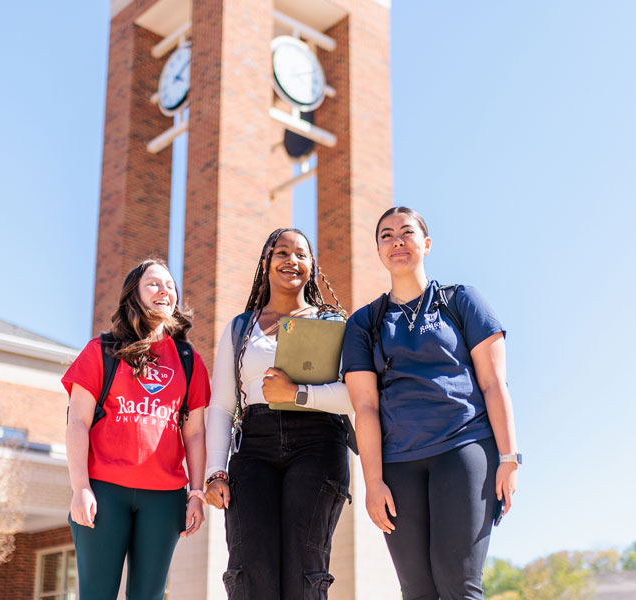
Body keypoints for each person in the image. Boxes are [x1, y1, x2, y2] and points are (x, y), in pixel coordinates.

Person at [341, 206, 520, 600]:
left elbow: (493, 384)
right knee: (417, 590)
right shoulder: (364, 323)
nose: (397, 241)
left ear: (426, 243)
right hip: (398, 461)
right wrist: (372, 482)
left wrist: (509, 459)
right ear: (378, 250)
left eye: (406, 232)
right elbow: (365, 408)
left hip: (464, 446)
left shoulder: (462, 301)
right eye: (386, 235)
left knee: (458, 583)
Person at [204, 228, 352, 600]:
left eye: (301, 254)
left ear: (312, 265)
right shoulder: (241, 327)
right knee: (250, 570)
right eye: (282, 252)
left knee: (305, 571)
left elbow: (354, 398)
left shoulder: (332, 323)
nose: (292, 260)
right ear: (266, 262)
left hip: (318, 443)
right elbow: (222, 405)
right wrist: (214, 472)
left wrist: (298, 394)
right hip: (253, 447)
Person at [62, 258, 210, 599]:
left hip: (164, 498)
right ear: (134, 294)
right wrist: (80, 487)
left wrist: (196, 494)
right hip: (104, 491)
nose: (165, 290)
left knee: (149, 595)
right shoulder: (102, 351)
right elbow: (77, 422)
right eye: (154, 284)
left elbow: (195, 433)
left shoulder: (189, 360)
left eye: (170, 285)